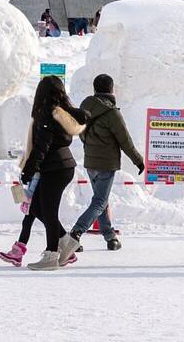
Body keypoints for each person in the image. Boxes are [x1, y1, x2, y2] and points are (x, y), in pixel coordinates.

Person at [61, 74, 145, 256]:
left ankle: (110, 236)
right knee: (99, 201)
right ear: (111, 89)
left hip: (90, 161)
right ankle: (75, 234)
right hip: (106, 163)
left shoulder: (85, 107)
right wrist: (138, 160)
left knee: (101, 199)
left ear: (94, 89)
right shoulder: (112, 113)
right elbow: (125, 141)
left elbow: (80, 131)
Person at [14, 76, 87, 270]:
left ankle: (51, 255)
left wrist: (28, 171)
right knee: (37, 207)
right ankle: (66, 242)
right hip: (62, 167)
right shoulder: (62, 114)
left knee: (48, 211)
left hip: (55, 168)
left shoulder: (47, 113)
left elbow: (41, 147)